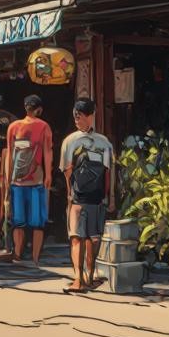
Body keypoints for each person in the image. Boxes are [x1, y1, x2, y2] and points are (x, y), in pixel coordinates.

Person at [60, 98, 115, 294]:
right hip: (93, 198)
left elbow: (67, 171)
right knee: (89, 238)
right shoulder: (104, 143)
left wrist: (69, 193)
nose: (77, 119)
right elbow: (108, 173)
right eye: (76, 115)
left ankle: (80, 279)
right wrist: (109, 197)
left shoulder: (69, 141)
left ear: (90, 115)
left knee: (81, 238)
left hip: (79, 199)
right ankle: (85, 278)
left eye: (80, 115)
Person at [2, 95, 54, 265]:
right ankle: (35, 257)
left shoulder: (13, 127)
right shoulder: (44, 126)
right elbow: (47, 152)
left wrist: (7, 179)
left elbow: (9, 155)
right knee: (37, 222)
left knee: (18, 222)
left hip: (17, 182)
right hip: (37, 181)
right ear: (39, 109)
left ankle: (17, 254)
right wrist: (48, 175)